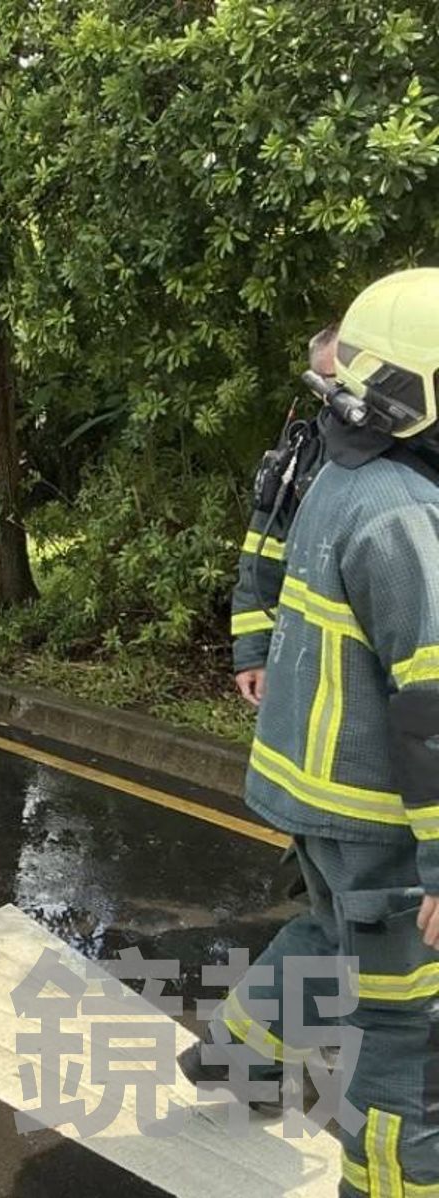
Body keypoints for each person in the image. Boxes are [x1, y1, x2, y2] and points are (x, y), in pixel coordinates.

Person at [183, 269, 439, 1195]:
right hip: (375, 807)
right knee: (409, 1029)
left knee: (331, 935)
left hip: (318, 789)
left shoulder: (346, 475)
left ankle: (235, 1057)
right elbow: (431, 707)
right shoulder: (404, 508)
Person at [230, 323, 339, 708]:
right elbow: (261, 562)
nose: (339, 392)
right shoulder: (299, 460)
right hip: (311, 662)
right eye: (329, 381)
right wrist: (253, 654)